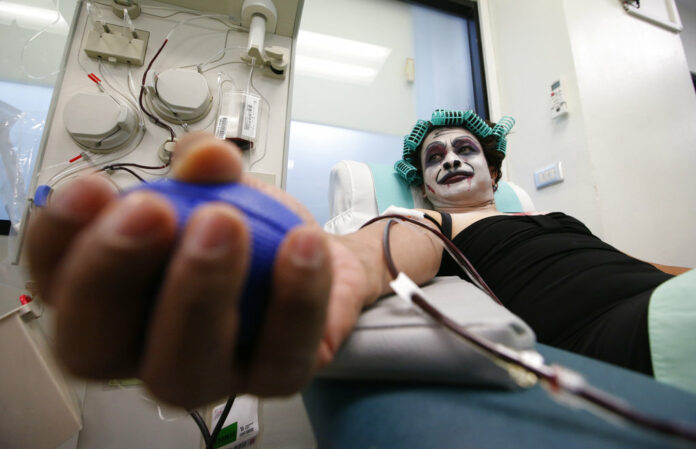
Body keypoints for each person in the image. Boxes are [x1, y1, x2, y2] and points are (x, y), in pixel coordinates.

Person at [25, 111, 688, 409]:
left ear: (495, 165)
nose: (453, 158)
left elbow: (650, 270)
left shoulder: (552, 216)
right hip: (623, 338)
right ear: (422, 185)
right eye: (434, 158)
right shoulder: (436, 220)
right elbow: (376, 247)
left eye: (466, 149)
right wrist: (322, 267)